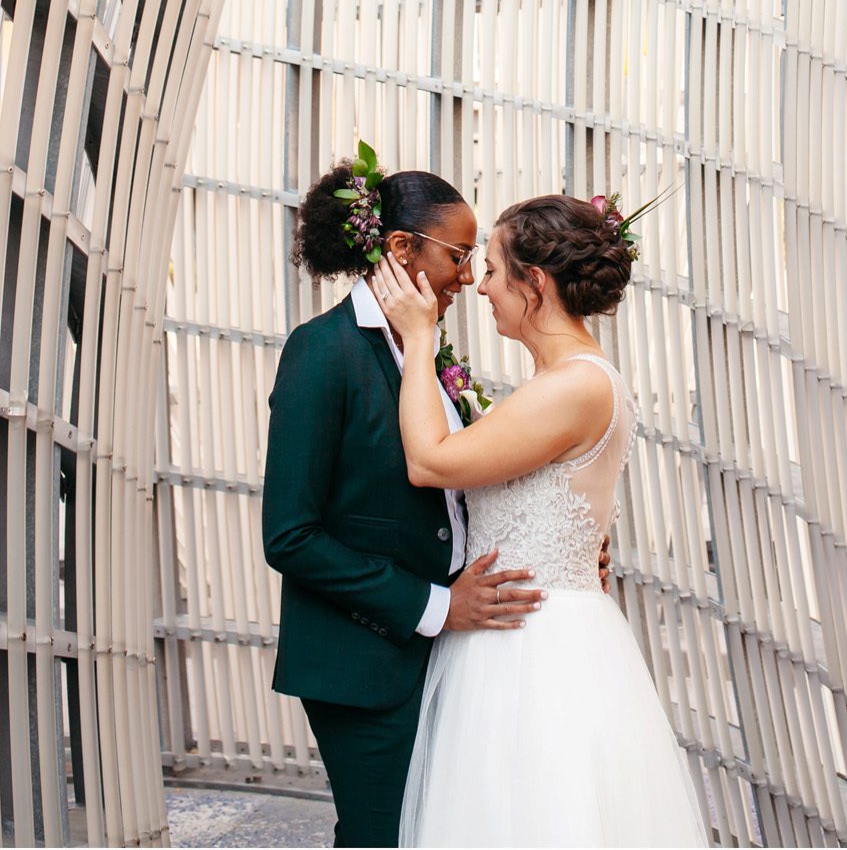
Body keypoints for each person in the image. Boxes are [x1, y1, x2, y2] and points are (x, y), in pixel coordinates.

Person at [376, 194, 710, 849]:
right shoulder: (564, 381)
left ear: (534, 282)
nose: (481, 287)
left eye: (493, 270)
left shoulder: (574, 385)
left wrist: (418, 338)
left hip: (536, 651)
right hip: (518, 633)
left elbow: (430, 461)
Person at [262, 155, 545, 849]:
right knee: (381, 837)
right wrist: (437, 605)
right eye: (458, 254)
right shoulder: (321, 352)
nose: (468, 277)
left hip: (438, 655)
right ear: (400, 247)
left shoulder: (424, 351)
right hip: (361, 664)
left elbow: (449, 498)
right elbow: (290, 535)